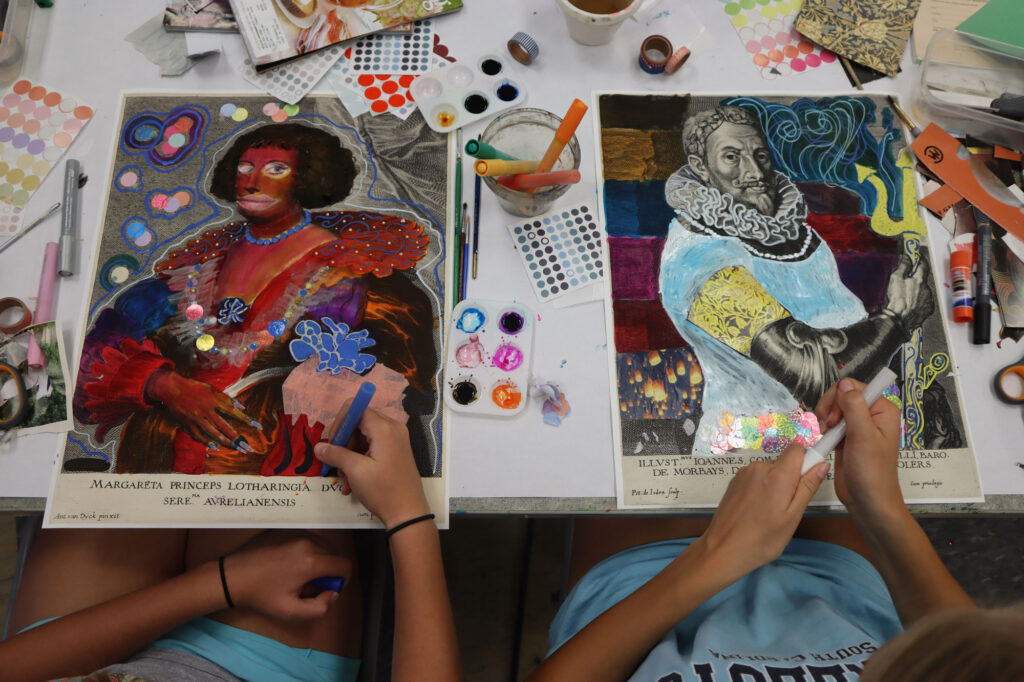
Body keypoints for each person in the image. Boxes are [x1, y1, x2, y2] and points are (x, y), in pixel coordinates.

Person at [527, 377, 976, 681]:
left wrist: (718, 554)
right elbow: (980, 662)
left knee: (614, 414)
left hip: (649, 586)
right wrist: (879, 508)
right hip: (844, 582)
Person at [72, 122, 438, 477]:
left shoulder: (355, 268)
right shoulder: (199, 263)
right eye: (245, 167)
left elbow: (400, 392)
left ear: (309, 176)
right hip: (155, 459)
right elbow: (97, 351)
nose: (252, 181)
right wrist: (162, 383)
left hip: (281, 473)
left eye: (276, 169)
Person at [1, 402, 460, 682]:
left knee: (141, 447)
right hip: (253, 669)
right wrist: (407, 515)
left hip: (71, 664)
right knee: (278, 457)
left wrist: (220, 582)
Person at [659, 105, 934, 455]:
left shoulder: (794, 233)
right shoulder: (699, 258)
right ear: (701, 168)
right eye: (732, 157)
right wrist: (897, 319)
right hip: (760, 452)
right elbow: (816, 377)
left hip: (847, 435)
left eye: (760, 155)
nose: (755, 171)